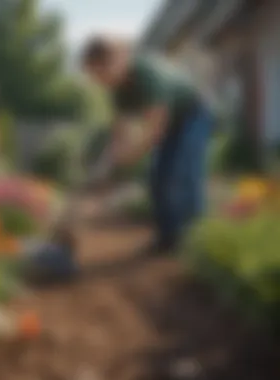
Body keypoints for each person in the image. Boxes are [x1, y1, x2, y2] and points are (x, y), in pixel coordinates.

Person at [80, 35, 214, 253]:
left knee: (183, 174)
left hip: (193, 114)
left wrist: (132, 156)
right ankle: (168, 238)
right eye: (94, 75)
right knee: (157, 177)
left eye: (100, 72)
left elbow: (155, 129)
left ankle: (199, 240)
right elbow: (119, 132)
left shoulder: (146, 74)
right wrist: (108, 160)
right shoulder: (117, 90)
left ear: (115, 61)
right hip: (170, 123)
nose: (98, 80)